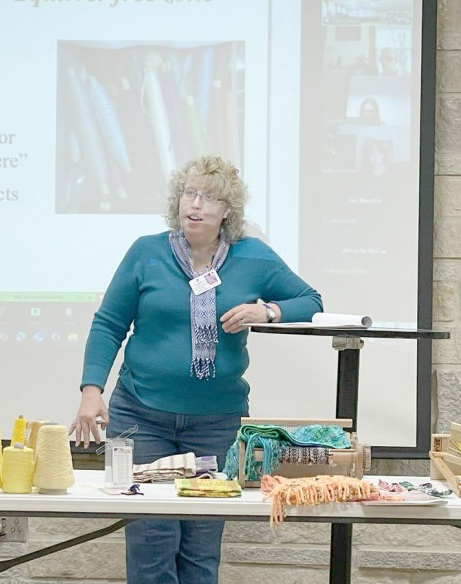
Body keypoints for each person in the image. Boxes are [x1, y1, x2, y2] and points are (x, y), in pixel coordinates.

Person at [70, 156, 323, 584]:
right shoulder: (146, 252)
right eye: (190, 193)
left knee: (200, 549)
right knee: (151, 544)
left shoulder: (253, 257)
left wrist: (268, 309)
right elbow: (109, 323)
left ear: (228, 210)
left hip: (215, 423)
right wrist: (91, 391)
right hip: (140, 417)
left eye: (210, 197)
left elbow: (311, 301)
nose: (197, 204)